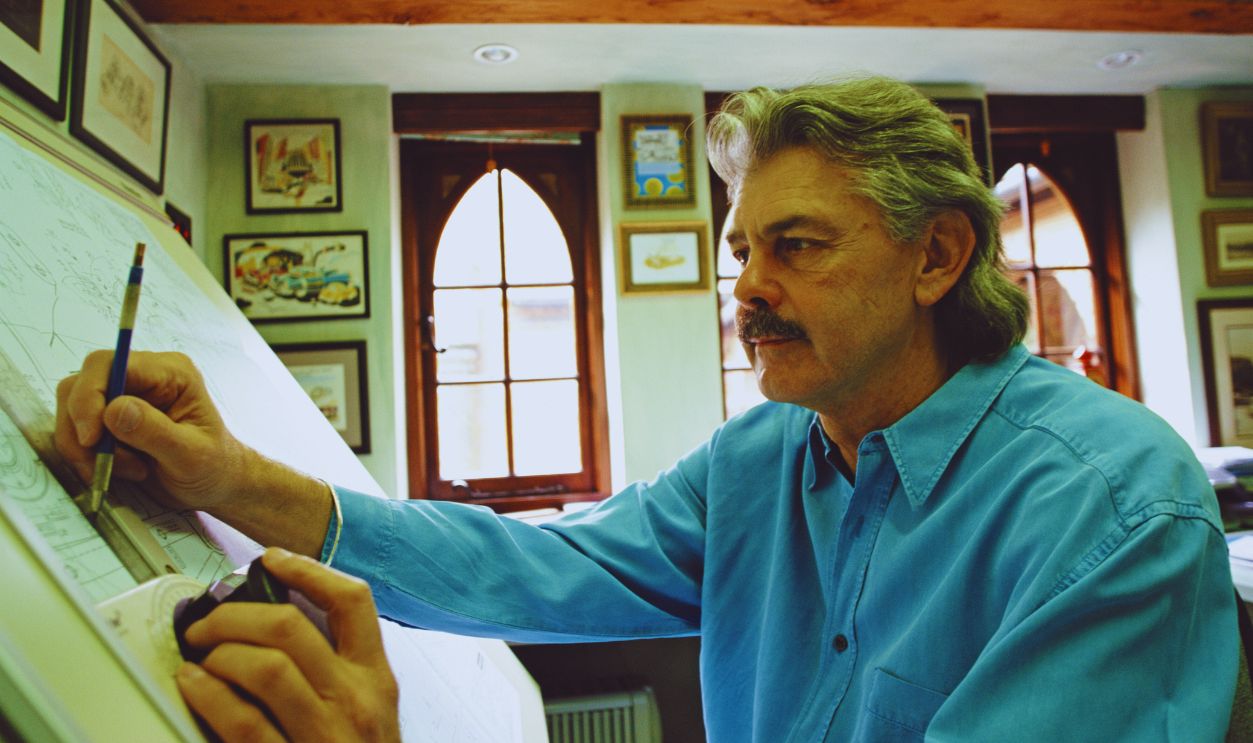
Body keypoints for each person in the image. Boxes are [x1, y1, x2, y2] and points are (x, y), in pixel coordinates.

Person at [57, 76, 1237, 742]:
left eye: (794, 246)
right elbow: (533, 564)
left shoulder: (1114, 510)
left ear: (935, 255)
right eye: (738, 253)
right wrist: (228, 477)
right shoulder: (762, 457)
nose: (747, 291)